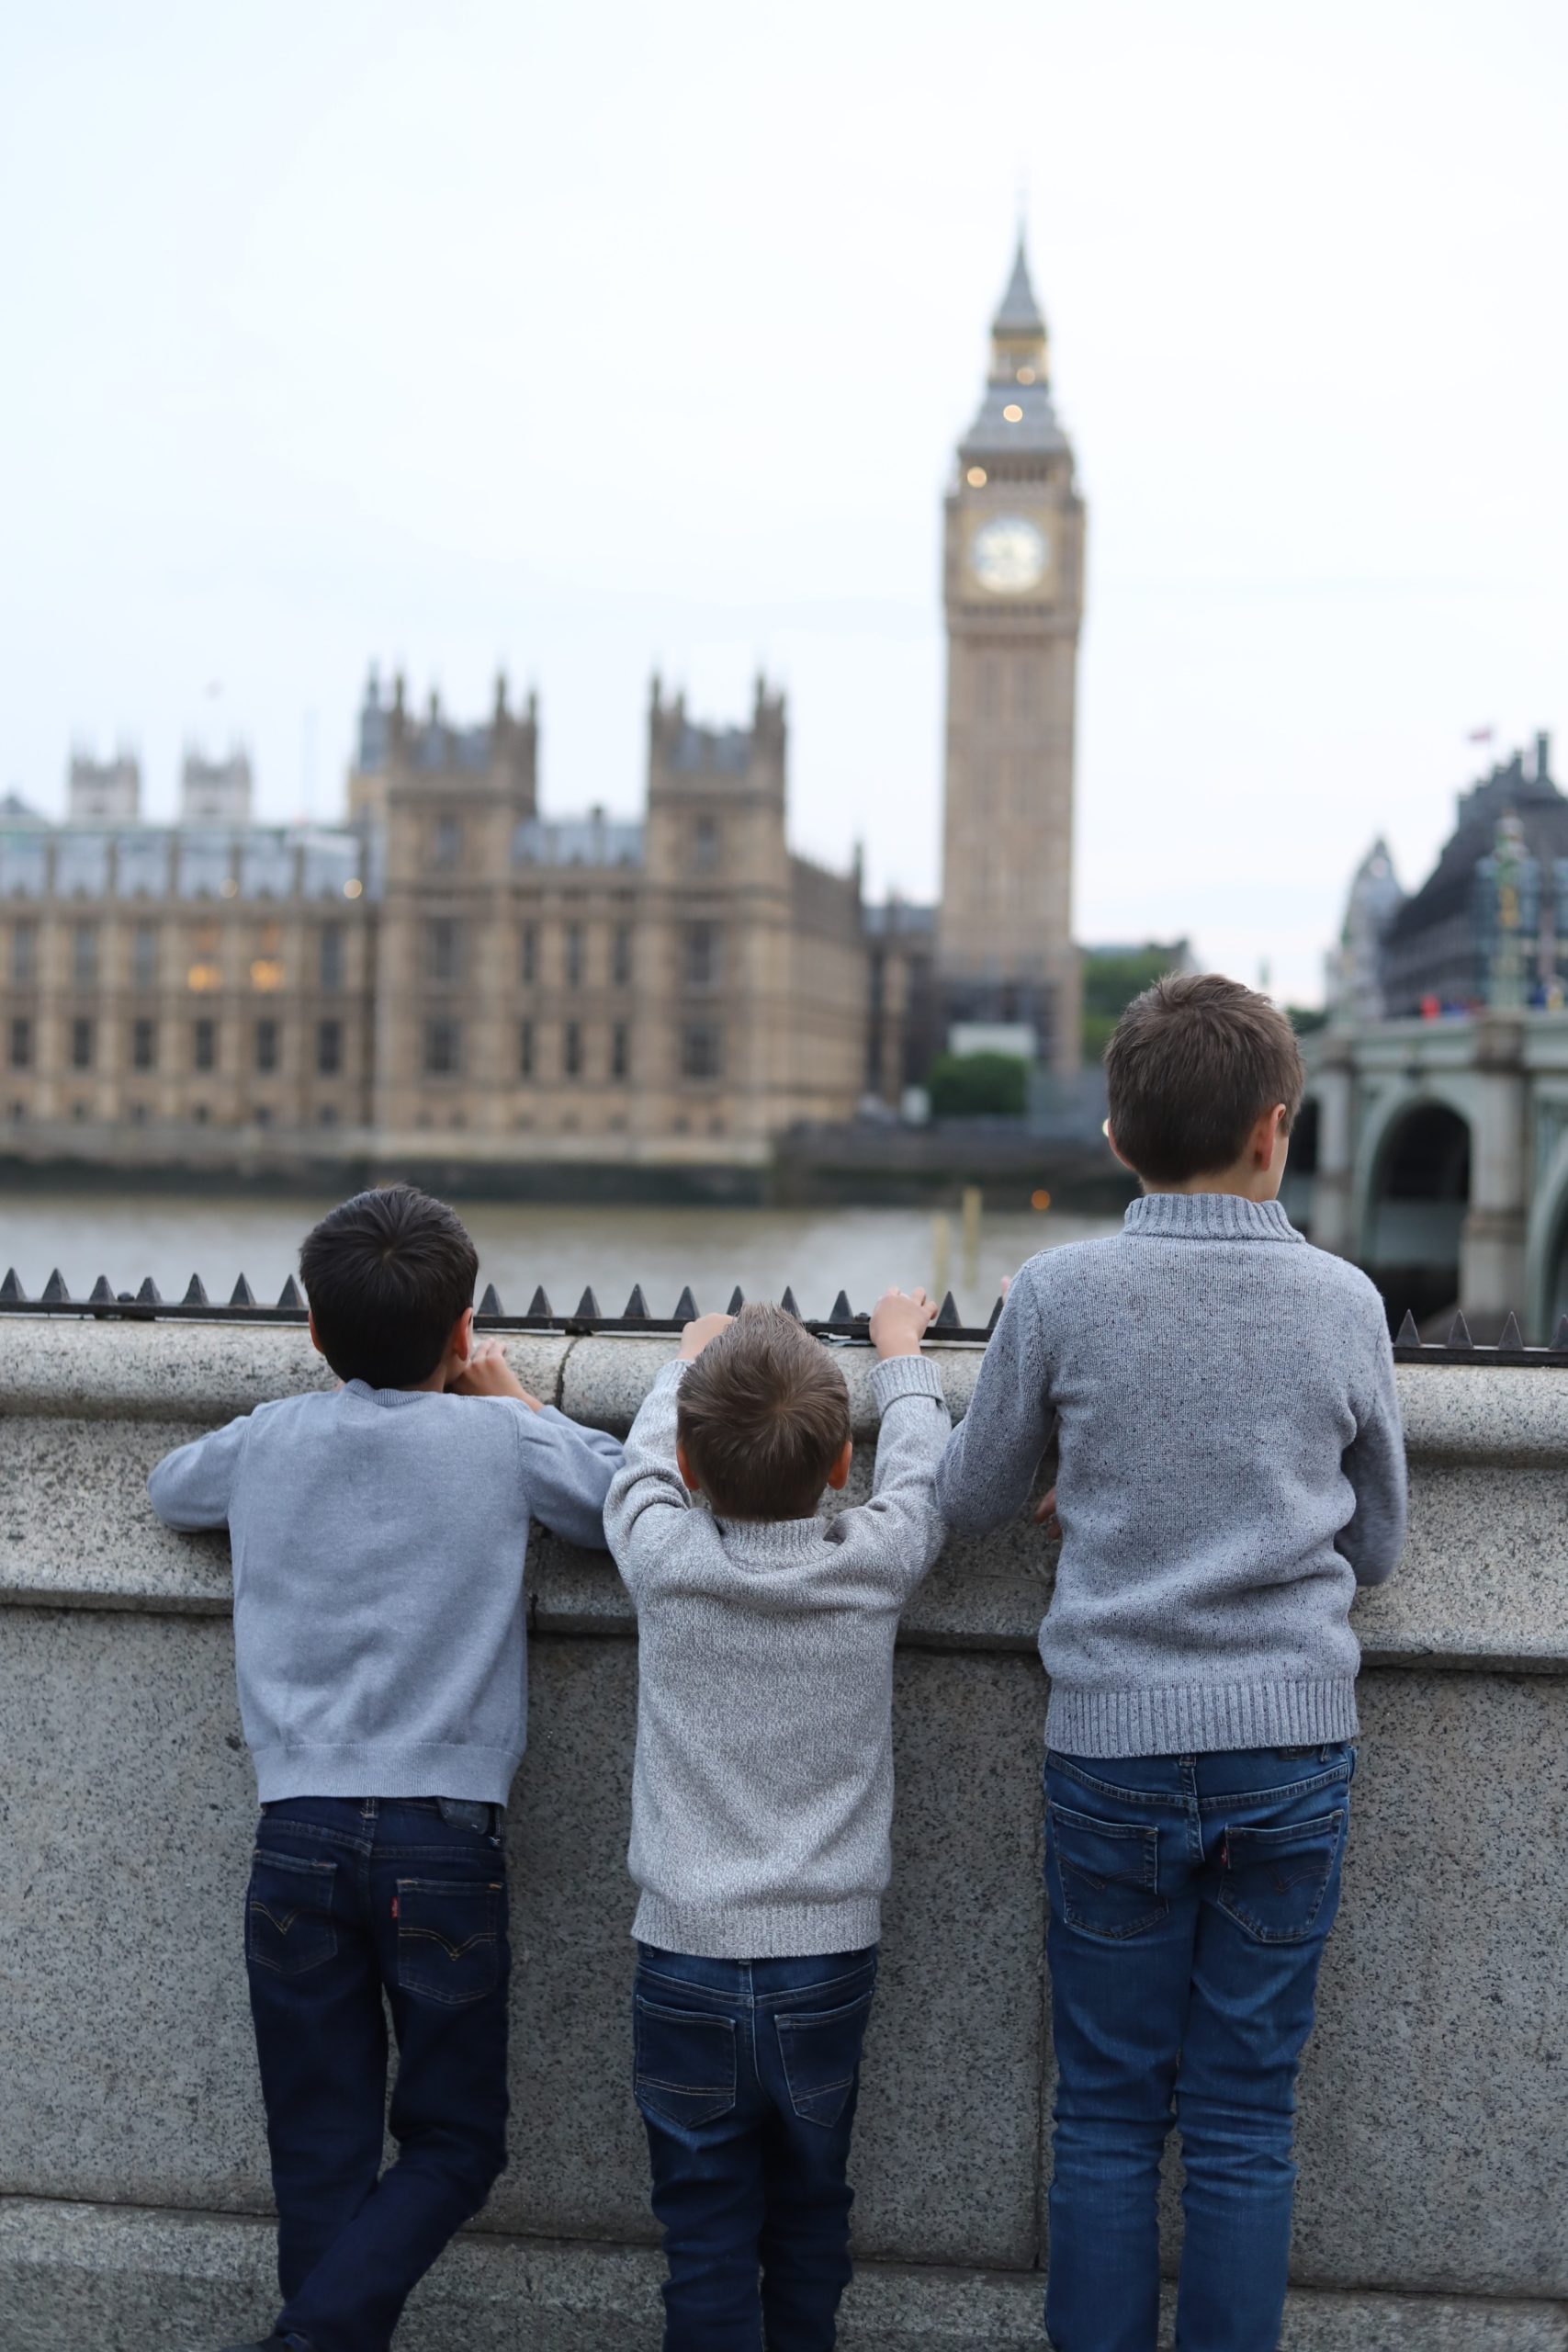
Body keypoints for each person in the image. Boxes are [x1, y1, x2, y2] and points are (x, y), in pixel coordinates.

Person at [936, 974, 1407, 2352]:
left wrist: (1071, 1466)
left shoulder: (1060, 1292)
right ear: (1275, 1133)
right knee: (1244, 2120)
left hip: (1112, 1745)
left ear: (1110, 1135)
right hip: (1286, 1747)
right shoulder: (1343, 1303)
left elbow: (970, 1502)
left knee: (1102, 2115)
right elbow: (1374, 1547)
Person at [146, 1183, 625, 2352]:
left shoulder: (269, 1438)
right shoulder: (501, 1438)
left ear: (313, 1333)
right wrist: (514, 1396)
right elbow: (630, 1503)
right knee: (456, 2143)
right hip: (443, 1841)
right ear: (465, 1329)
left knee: (319, 2150)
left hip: (296, 1834)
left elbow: (169, 1489)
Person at [604, 1291, 951, 2352]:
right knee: (810, 2214)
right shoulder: (874, 1563)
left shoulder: (665, 1560)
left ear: (694, 1467)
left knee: (703, 2231)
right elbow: (925, 1465)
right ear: (841, 1463)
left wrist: (688, 1358)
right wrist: (900, 1355)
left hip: (684, 1957)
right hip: (825, 1959)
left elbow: (636, 1470)